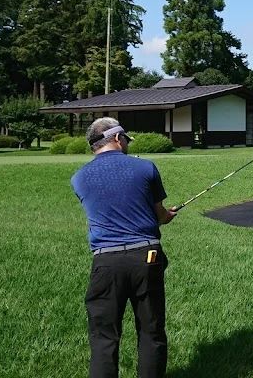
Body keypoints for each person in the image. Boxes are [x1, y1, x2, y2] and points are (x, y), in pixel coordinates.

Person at [71, 117, 177, 378]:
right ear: (117, 138)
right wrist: (167, 216)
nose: (128, 144)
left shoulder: (79, 178)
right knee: (151, 331)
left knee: (103, 338)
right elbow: (160, 215)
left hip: (105, 262)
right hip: (147, 257)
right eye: (126, 140)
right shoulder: (146, 168)